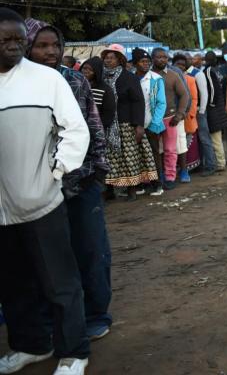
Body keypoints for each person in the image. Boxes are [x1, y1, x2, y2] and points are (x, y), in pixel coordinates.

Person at [0, 8, 92, 375]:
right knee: (14, 285)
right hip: (1, 213)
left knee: (60, 282)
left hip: (41, 203)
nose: (13, 47)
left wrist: (54, 172)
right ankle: (31, 345)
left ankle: (74, 352)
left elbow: (76, 130)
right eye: (4, 40)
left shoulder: (45, 80)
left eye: (18, 40)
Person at [26, 20, 114, 343]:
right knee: (48, 257)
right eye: (41, 45)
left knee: (90, 249)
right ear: (27, 47)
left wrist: (96, 172)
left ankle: (95, 314)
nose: (50, 52)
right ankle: (54, 318)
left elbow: (91, 130)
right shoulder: (19, 86)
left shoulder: (74, 80)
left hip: (81, 181)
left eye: (54, 45)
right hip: (37, 188)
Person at [101, 44, 158, 198]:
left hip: (127, 124)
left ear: (120, 60)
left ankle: (132, 189)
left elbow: (138, 101)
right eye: (106, 58)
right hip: (108, 125)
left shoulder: (129, 77)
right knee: (110, 157)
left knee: (129, 157)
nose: (108, 61)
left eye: (112, 58)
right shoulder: (102, 78)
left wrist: (139, 125)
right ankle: (110, 189)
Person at [152, 48, 190, 190]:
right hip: (152, 119)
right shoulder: (147, 75)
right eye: (159, 57)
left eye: (165, 57)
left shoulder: (173, 75)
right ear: (152, 58)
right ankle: (158, 176)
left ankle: (170, 177)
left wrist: (180, 114)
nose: (162, 59)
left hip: (170, 118)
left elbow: (184, 95)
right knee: (156, 150)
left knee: (170, 149)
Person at [132, 48, 167, 194]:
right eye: (142, 61)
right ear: (135, 63)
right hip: (134, 125)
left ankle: (157, 184)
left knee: (154, 155)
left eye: (147, 61)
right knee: (137, 156)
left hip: (151, 124)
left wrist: (155, 123)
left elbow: (161, 103)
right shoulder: (131, 78)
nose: (146, 64)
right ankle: (141, 184)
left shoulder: (156, 79)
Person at [186, 53, 217, 175]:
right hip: (189, 112)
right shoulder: (183, 74)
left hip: (199, 111)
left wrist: (202, 110)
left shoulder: (197, 73)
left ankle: (210, 165)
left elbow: (204, 93)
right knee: (194, 140)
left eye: (189, 59)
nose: (188, 61)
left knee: (204, 138)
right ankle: (198, 164)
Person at [172, 54, 201, 179]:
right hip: (170, 116)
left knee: (184, 144)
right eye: (178, 64)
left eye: (183, 65)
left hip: (186, 117)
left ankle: (185, 171)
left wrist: (191, 114)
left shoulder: (190, 79)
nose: (180, 67)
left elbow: (194, 99)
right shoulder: (165, 78)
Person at [201, 51, 227, 171]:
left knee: (215, 137)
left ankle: (220, 163)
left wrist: (211, 104)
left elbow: (213, 90)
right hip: (219, 107)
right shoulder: (217, 70)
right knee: (217, 137)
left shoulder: (208, 71)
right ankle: (221, 161)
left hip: (214, 110)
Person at [79, 58, 117, 136]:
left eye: (91, 70)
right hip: (76, 128)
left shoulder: (105, 90)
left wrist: (96, 129)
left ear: (97, 72)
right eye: (84, 68)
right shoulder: (76, 85)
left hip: (95, 132)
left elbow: (108, 115)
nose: (86, 71)